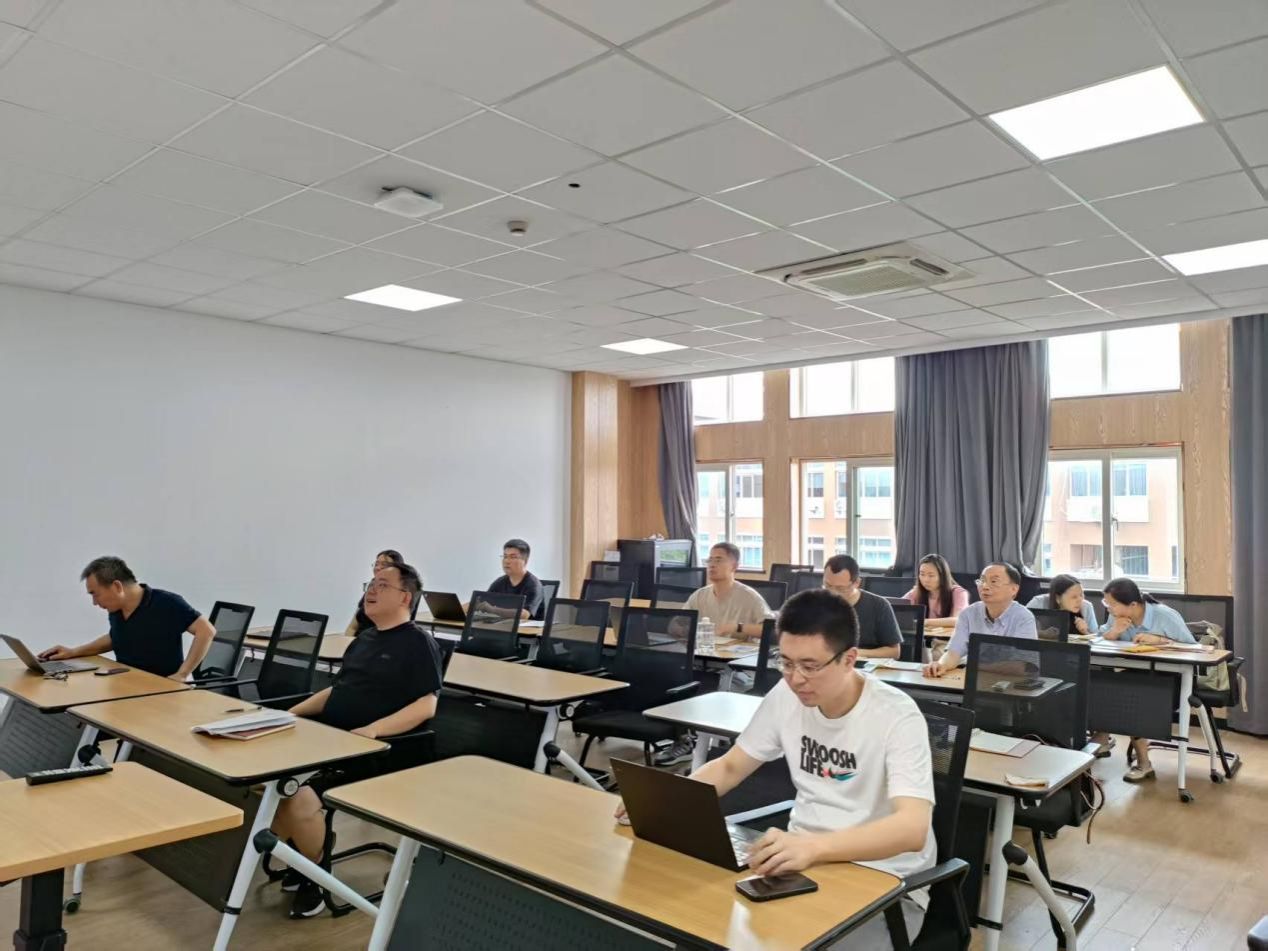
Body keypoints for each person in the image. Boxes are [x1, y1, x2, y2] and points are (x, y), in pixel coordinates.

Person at [616, 588, 936, 947]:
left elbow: (912, 829)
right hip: (797, 865)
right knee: (692, 925)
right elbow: (731, 766)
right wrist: (664, 799)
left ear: (849, 659)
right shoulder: (787, 695)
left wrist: (814, 847)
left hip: (886, 882)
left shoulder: (896, 715)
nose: (796, 678)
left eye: (810, 666)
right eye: (786, 663)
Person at [272, 561, 443, 918]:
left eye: (383, 585)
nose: (371, 590)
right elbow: (338, 690)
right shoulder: (365, 639)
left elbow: (427, 705)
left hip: (380, 753)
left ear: (405, 597)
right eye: (370, 583)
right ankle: (308, 847)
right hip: (335, 743)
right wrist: (291, 714)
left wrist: (375, 729)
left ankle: (315, 870)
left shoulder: (418, 643)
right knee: (265, 785)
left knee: (296, 796)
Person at [39, 556, 215, 681]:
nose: (94, 602)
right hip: (125, 684)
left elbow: (206, 631)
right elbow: (116, 637)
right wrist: (72, 652)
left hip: (159, 690)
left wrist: (182, 674)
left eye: (95, 594)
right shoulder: (117, 609)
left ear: (117, 586)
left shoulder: (167, 602)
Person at [1099, 577, 1196, 784]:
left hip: (1173, 680)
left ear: (1133, 605)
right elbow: (1099, 637)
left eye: (1112, 604)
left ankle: (1143, 763)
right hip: (1137, 674)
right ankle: (1102, 735)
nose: (1109, 609)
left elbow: (1195, 649)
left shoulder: (1164, 616)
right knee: (1107, 686)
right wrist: (1114, 632)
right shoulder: (1116, 617)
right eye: (1106, 603)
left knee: (1131, 697)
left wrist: (1161, 641)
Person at [924, 562, 1037, 678]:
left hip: (1011, 683)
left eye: (994, 581)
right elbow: (954, 652)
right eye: (982, 581)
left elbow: (1020, 666)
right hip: (974, 680)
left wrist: (972, 666)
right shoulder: (968, 614)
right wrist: (941, 664)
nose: (985, 586)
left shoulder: (1024, 617)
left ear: (1013, 589)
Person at [685, 542, 772, 641]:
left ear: (734, 566)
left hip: (738, 650)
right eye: (710, 560)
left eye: (718, 560)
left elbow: (772, 630)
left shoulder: (749, 596)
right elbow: (678, 623)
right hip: (705, 648)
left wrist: (738, 627)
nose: (712, 565)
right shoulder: (699, 595)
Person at [822, 554, 901, 660]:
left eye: (840, 589)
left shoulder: (879, 606)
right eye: (827, 586)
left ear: (857, 583)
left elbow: (894, 652)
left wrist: (856, 653)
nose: (833, 593)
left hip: (865, 666)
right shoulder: (814, 604)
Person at [344, 549, 404, 635]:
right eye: (376, 564)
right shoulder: (371, 589)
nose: (378, 568)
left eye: (384, 565)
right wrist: (347, 640)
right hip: (359, 639)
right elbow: (352, 627)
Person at [904, 554, 970, 630]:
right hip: (926, 636)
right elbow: (896, 609)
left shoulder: (959, 593)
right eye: (922, 574)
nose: (926, 580)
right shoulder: (916, 592)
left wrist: (923, 622)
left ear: (942, 576)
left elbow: (958, 620)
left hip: (950, 637)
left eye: (931, 575)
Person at [485, 538, 544, 620]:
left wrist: (491, 609)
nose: (507, 561)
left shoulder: (534, 585)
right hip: (505, 624)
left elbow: (524, 615)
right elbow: (483, 602)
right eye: (505, 556)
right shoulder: (500, 582)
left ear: (525, 561)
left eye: (513, 557)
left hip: (526, 627)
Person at [1027, 574, 1098, 637]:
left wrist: (1085, 632)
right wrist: (1042, 633)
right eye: (1074, 597)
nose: (1080, 600)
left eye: (1081, 595)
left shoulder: (1087, 607)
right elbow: (1022, 627)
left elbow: (1097, 639)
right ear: (1058, 598)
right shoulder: (1038, 602)